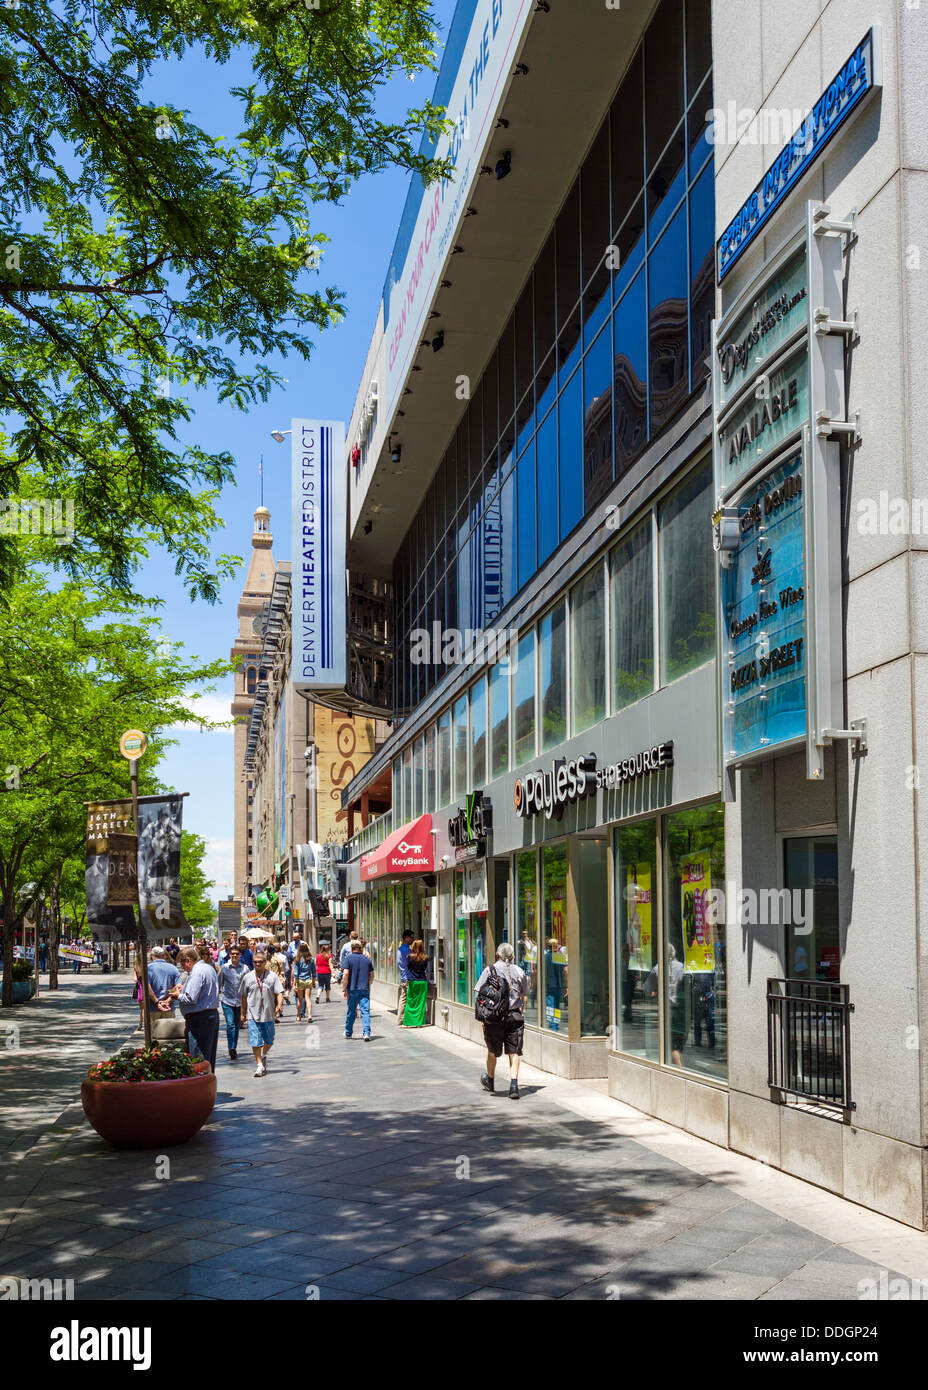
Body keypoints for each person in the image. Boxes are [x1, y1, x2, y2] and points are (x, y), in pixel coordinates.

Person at [475, 942, 529, 1100]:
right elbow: (525, 993)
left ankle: (490, 1080)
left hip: (494, 1018)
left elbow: (479, 993)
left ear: (497, 955)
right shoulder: (519, 971)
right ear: (512, 956)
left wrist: (484, 1016)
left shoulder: (489, 970)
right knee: (514, 1051)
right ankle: (514, 1085)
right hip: (514, 1015)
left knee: (492, 1051)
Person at [160, 944, 220, 1072]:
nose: (183, 968)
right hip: (209, 1015)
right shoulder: (208, 968)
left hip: (199, 1018)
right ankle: (208, 1083)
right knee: (208, 1055)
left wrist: (177, 996)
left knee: (198, 1056)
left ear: (188, 960)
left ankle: (201, 1085)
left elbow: (190, 999)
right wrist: (184, 989)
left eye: (182, 964)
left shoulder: (196, 973)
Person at [241, 950, 283, 1076]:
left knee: (269, 1041)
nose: (257, 964)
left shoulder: (272, 976)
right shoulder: (247, 977)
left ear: (265, 963)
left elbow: (279, 992)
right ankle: (259, 1065)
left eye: (260, 962)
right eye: (255, 962)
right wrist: (243, 1013)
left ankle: (263, 1055)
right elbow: (243, 997)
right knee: (255, 1041)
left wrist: (279, 1005)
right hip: (252, 1014)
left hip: (268, 1014)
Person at [217, 944, 249, 1059]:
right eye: (232, 954)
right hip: (227, 1001)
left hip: (240, 1002)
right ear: (230, 955)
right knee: (230, 1025)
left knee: (236, 1025)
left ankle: (234, 1047)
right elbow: (218, 983)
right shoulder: (224, 968)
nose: (234, 955)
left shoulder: (245, 968)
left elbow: (248, 985)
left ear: (240, 955)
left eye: (237, 954)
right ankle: (231, 1047)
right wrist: (217, 998)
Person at [341, 939, 373, 1041]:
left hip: (352, 989)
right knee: (365, 1011)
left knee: (351, 1011)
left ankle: (348, 1032)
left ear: (352, 948)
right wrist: (369, 982)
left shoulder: (348, 959)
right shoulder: (367, 959)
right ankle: (366, 1033)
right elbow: (372, 974)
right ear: (361, 948)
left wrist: (344, 988)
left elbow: (345, 974)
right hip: (364, 988)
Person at [402, 938, 429, 1029]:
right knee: (421, 1002)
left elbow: (408, 968)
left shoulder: (409, 957)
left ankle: (408, 1022)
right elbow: (425, 968)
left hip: (413, 981)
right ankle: (418, 1023)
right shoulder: (425, 958)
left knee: (410, 1001)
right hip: (422, 981)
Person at [147, 945, 180, 1015]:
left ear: (151, 956)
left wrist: (157, 1002)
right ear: (164, 956)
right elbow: (178, 987)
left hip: (153, 1008)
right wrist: (168, 1000)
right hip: (169, 1008)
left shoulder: (148, 968)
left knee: (154, 1026)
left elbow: (147, 987)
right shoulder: (173, 968)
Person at [292, 942, 316, 1022]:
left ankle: (298, 1016)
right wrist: (313, 982)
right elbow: (314, 972)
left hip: (300, 980)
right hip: (308, 979)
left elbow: (296, 973)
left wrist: (294, 984)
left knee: (300, 999)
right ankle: (309, 1015)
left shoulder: (297, 959)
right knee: (308, 998)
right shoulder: (311, 959)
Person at [395, 929, 414, 1024]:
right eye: (412, 937)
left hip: (404, 977)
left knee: (404, 997)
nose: (413, 939)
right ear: (406, 938)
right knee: (405, 998)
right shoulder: (406, 950)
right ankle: (401, 1020)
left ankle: (401, 1019)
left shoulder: (401, 949)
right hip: (407, 977)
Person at [284, 929, 303, 1003]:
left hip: (302, 960)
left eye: (295, 939)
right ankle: (295, 988)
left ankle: (297, 988)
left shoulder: (303, 943)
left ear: (299, 937)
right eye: (293, 939)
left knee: (300, 974)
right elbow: (289, 953)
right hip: (294, 960)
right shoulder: (291, 944)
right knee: (295, 973)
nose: (294, 940)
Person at [133, 952, 145, 1029]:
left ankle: (140, 1024)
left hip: (140, 989)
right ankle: (146, 1024)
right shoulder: (147, 967)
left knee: (142, 1009)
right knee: (147, 1009)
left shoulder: (136, 968)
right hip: (147, 988)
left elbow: (135, 979)